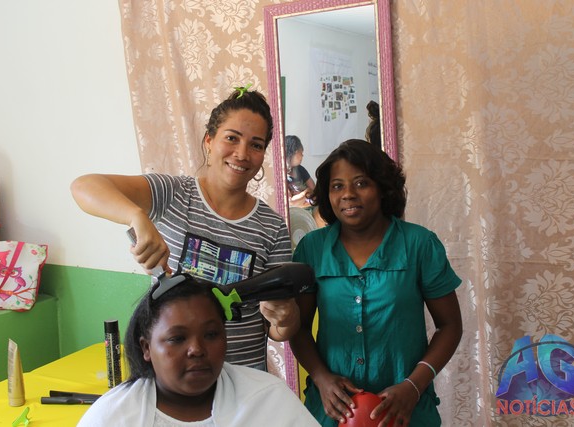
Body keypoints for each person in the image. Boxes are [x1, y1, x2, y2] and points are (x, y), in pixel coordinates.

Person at [71, 88, 300, 371]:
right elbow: (84, 186)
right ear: (209, 140)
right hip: (174, 378)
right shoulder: (173, 193)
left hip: (243, 380)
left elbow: (277, 330)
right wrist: (136, 216)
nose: (242, 154)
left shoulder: (272, 227)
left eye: (256, 145)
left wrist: (286, 318)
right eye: (231, 138)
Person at [289, 139, 463, 426]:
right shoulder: (312, 248)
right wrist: (321, 378)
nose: (348, 194)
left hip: (407, 412)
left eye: (361, 183)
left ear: (382, 188)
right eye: (337, 186)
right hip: (332, 410)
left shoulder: (419, 244)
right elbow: (298, 327)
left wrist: (414, 386)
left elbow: (450, 326)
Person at [77, 275, 321, 426]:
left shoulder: (268, 400)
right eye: (177, 338)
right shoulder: (112, 417)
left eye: (211, 334)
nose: (196, 349)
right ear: (146, 348)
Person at [285, 135, 316, 209]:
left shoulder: (300, 169)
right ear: (294, 153)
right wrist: (306, 192)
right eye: (301, 153)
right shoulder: (281, 175)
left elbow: (314, 190)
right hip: (296, 211)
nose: (302, 156)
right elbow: (290, 202)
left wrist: (300, 197)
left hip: (309, 206)